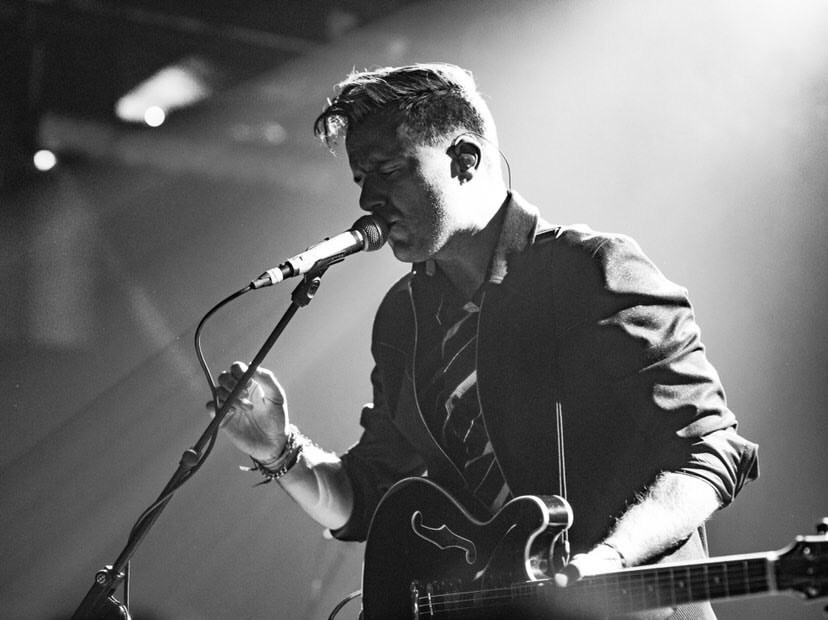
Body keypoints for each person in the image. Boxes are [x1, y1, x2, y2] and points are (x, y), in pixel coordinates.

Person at [212, 63, 758, 618]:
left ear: (464, 160)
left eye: (388, 170)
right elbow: (369, 498)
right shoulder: (403, 318)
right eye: (360, 180)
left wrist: (609, 559)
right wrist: (278, 450)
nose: (369, 198)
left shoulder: (592, 270)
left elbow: (712, 451)